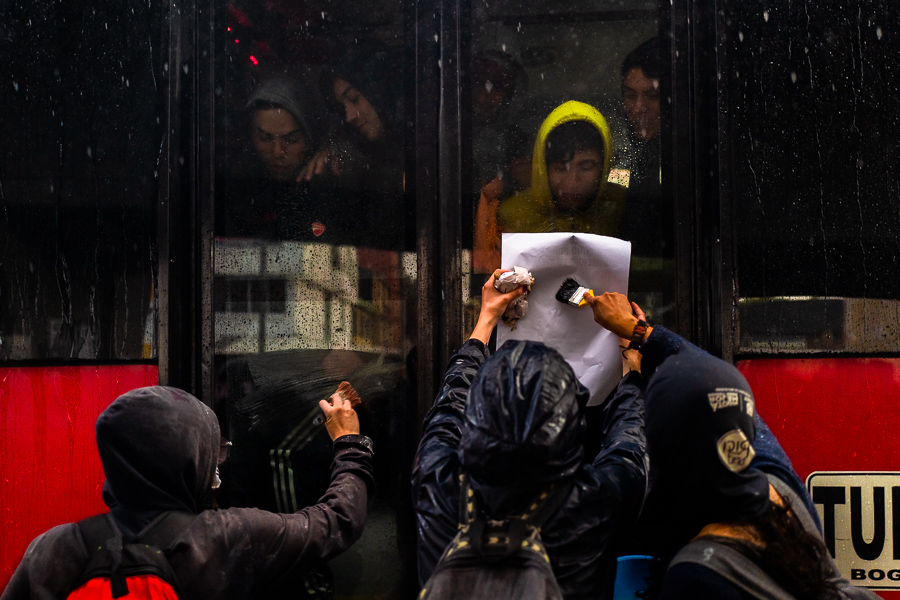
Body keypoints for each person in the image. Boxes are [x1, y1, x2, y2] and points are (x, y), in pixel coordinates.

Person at [583, 290, 880, 599]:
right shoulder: (778, 491)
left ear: (661, 451)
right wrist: (640, 332)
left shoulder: (696, 575)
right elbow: (718, 388)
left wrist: (634, 374)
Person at [2, 385, 375, 600]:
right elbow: (338, 520)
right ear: (190, 458)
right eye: (213, 452)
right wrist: (350, 442)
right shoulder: (227, 538)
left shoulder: (52, 549)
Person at [412, 270, 647, 599]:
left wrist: (487, 318)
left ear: (478, 412)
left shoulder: (436, 478)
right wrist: (631, 357)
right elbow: (629, 441)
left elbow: (450, 404)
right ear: (572, 422)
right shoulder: (598, 500)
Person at [472, 101, 627, 275]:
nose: (572, 182)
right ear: (543, 168)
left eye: (586, 166)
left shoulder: (622, 208)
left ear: (604, 166)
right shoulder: (512, 216)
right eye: (561, 168)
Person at [216, 76, 362, 243]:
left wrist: (343, 155)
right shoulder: (233, 186)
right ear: (250, 136)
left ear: (310, 136)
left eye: (291, 139)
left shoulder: (330, 179)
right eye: (264, 138)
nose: (277, 152)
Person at [615, 38, 673, 258]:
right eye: (630, 95)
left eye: (653, 96)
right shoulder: (626, 150)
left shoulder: (686, 155)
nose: (638, 108)